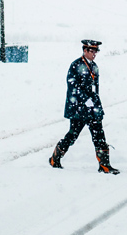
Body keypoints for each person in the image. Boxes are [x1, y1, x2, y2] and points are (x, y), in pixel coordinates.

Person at [49, 39, 120, 174]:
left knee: (98, 133)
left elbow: (95, 88)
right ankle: (55, 158)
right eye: (92, 51)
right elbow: (72, 86)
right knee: (73, 135)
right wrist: (85, 100)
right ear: (85, 50)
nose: (94, 54)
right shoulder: (75, 65)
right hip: (79, 109)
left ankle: (104, 165)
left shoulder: (94, 67)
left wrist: (95, 103)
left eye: (96, 51)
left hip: (93, 108)